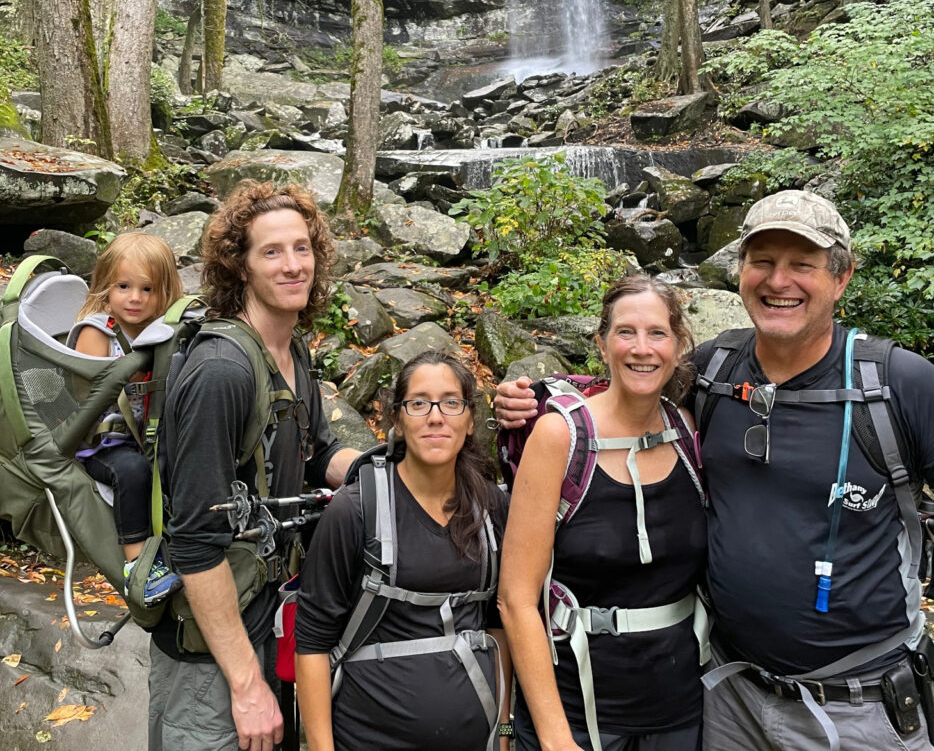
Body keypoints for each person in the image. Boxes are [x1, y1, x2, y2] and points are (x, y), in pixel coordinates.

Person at [495, 190, 934, 751]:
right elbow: (631, 390)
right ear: (741, 272)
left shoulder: (897, 384)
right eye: (763, 262)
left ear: (841, 278)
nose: (780, 281)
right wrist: (533, 400)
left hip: (861, 707)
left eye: (802, 264)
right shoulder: (713, 374)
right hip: (729, 701)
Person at [147, 181, 359, 751]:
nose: (293, 266)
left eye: (302, 248)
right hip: (212, 654)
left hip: (270, 614)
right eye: (271, 252)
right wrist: (245, 686)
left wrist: (399, 465)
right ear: (239, 267)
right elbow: (193, 539)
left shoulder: (293, 352)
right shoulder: (223, 372)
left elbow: (317, 455)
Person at [499, 275, 707, 751]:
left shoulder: (686, 430)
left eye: (657, 333)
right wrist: (553, 736)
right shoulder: (560, 437)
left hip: (679, 710)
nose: (642, 348)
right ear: (601, 343)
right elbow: (515, 598)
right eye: (625, 332)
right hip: (575, 711)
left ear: (678, 347)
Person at [294, 349, 513, 751]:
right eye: (418, 403)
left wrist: (504, 735)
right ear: (396, 418)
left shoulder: (490, 510)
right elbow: (311, 644)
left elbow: (498, 626)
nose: (435, 416)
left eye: (451, 402)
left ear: (469, 421)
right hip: (366, 737)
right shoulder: (355, 510)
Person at [69, 232, 184, 605]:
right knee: (133, 472)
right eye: (123, 286)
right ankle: (139, 565)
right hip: (100, 442)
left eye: (147, 289)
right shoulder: (97, 331)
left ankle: (179, 547)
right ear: (106, 285)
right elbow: (88, 395)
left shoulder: (159, 332)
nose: (135, 298)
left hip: (145, 434)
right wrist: (125, 375)